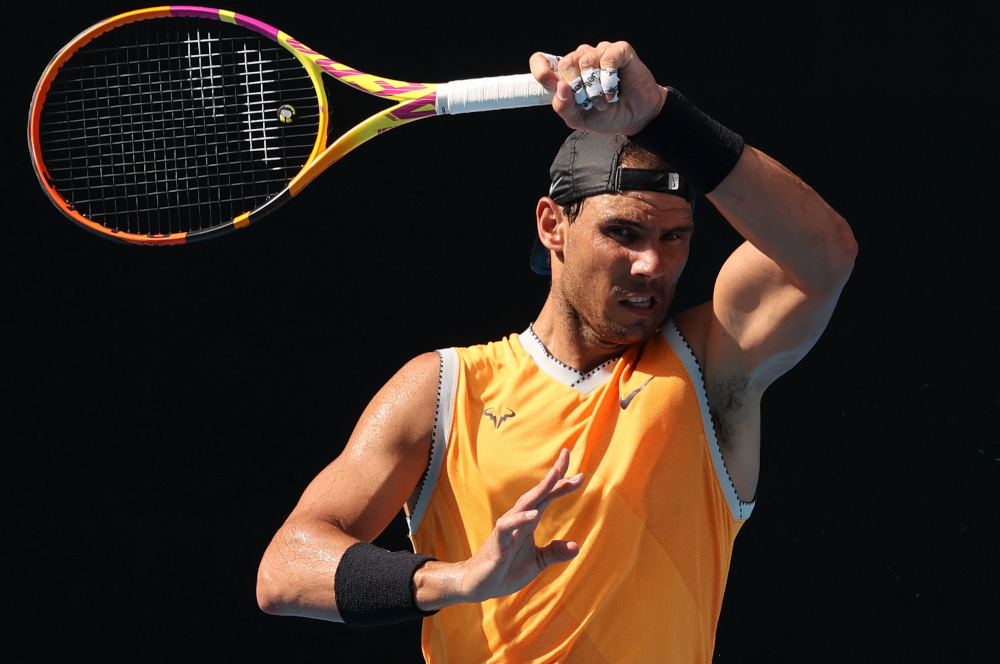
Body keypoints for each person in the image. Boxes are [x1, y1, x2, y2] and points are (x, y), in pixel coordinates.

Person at [256, 41, 857, 662]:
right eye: (622, 232)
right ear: (553, 225)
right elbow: (285, 567)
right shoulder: (444, 389)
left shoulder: (711, 365)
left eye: (674, 237)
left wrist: (660, 112)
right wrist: (458, 580)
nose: (652, 264)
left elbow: (824, 256)